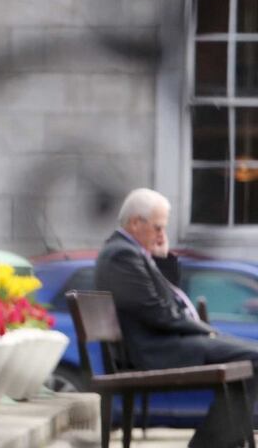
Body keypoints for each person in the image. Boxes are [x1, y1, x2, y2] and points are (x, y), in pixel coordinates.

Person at [96, 187, 258, 448]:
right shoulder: (121, 254)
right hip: (154, 351)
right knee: (254, 356)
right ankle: (210, 444)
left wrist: (163, 258)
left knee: (250, 358)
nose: (162, 235)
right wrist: (204, 330)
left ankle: (223, 440)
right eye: (158, 228)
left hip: (161, 344)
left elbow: (165, 299)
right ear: (136, 223)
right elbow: (157, 313)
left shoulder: (129, 252)